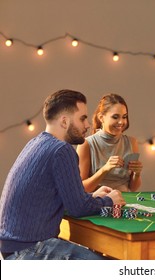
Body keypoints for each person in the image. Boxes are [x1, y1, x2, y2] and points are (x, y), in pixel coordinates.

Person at [0, 89, 126, 260]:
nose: (88, 125)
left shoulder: (36, 142)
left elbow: (65, 199)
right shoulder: (61, 150)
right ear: (65, 121)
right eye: (82, 118)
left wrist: (92, 196)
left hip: (12, 249)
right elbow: (78, 208)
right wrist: (109, 201)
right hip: (30, 250)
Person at [77, 93, 143, 193]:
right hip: (98, 202)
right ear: (101, 117)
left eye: (124, 117)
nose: (121, 122)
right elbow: (80, 188)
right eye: (115, 117)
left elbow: (133, 188)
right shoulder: (86, 144)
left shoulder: (132, 142)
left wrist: (137, 174)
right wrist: (105, 169)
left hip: (126, 201)